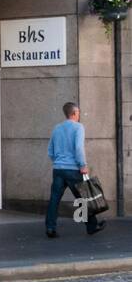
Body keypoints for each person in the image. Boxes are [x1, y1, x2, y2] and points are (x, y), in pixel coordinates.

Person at [45, 102, 105, 238]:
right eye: (78, 112)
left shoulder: (57, 128)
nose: (79, 115)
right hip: (73, 169)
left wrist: (58, 162)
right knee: (83, 199)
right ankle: (91, 226)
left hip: (58, 169)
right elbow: (78, 148)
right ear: (73, 113)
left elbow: (50, 150)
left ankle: (50, 228)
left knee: (54, 199)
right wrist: (82, 165)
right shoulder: (78, 127)